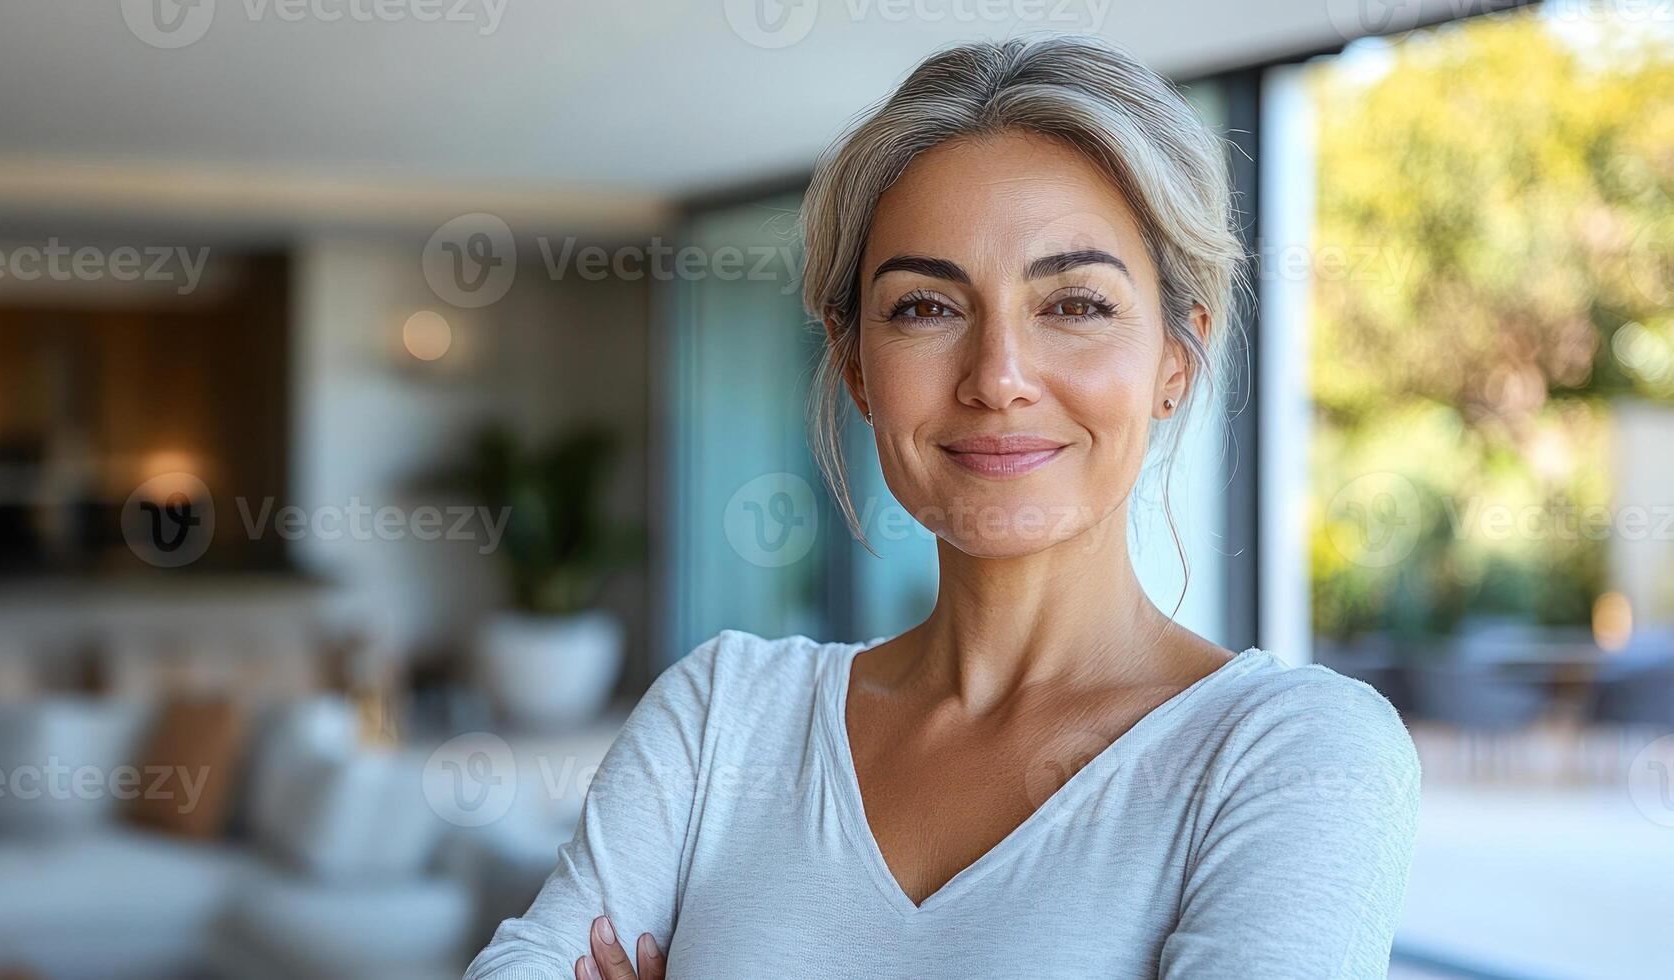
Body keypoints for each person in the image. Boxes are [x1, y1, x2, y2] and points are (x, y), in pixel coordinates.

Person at [466, 30, 1420, 980]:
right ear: (855, 366)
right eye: (927, 307)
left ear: (1176, 358)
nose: (999, 377)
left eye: (1075, 304)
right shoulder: (725, 714)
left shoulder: (1293, 754)